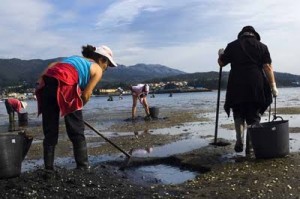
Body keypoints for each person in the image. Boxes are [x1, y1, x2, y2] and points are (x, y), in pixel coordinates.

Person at [35, 44, 117, 170]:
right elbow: (86, 94)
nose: (107, 68)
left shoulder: (75, 58)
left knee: (50, 129)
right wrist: (78, 110)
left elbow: (53, 64)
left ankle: (48, 168)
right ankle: (82, 166)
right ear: (102, 60)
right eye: (108, 65)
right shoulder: (97, 69)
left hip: (48, 83)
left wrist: (40, 79)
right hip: (66, 83)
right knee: (76, 129)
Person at [217, 26, 278, 154]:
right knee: (254, 114)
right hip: (255, 84)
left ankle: (239, 140)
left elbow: (222, 63)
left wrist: (221, 54)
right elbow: (267, 67)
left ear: (242, 35)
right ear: (254, 35)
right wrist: (273, 87)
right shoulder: (262, 47)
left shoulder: (232, 45)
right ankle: (250, 146)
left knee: (238, 112)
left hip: (236, 84)